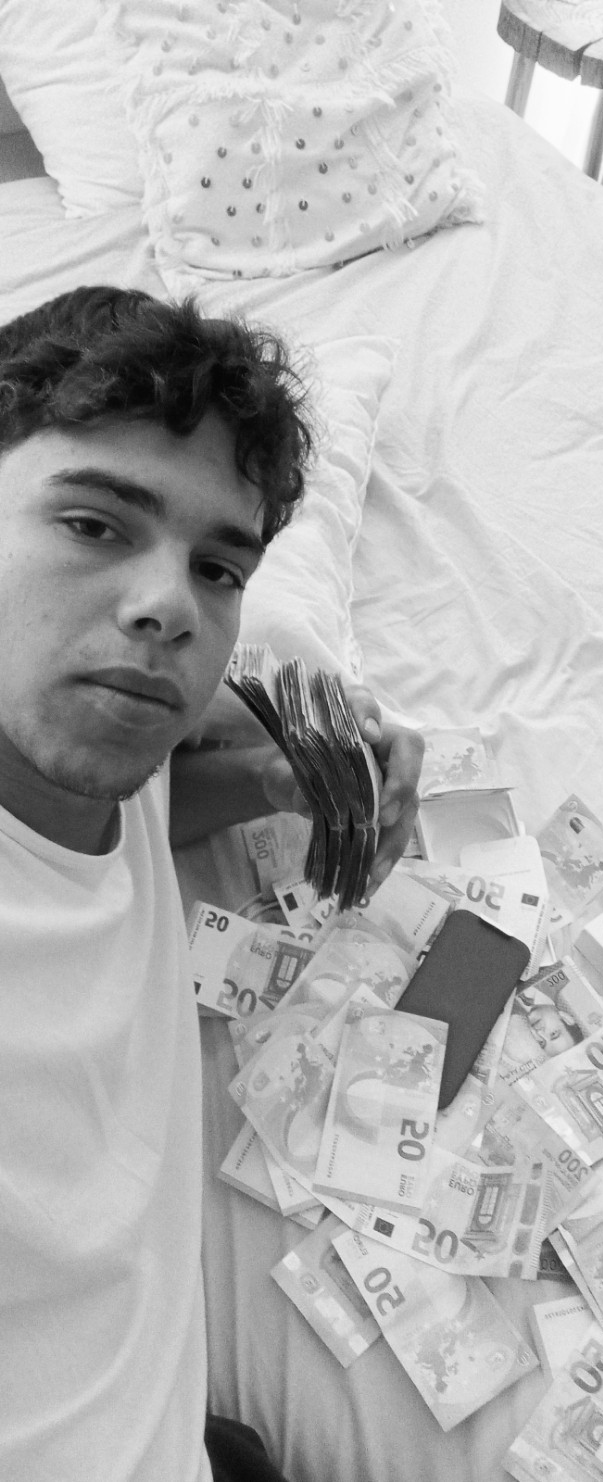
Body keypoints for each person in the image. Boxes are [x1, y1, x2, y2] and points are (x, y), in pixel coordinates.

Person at [0, 286, 423, 1482]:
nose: (166, 608)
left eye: (219, 568)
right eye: (93, 524)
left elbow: (136, 814)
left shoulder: (107, 752)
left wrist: (291, 773)